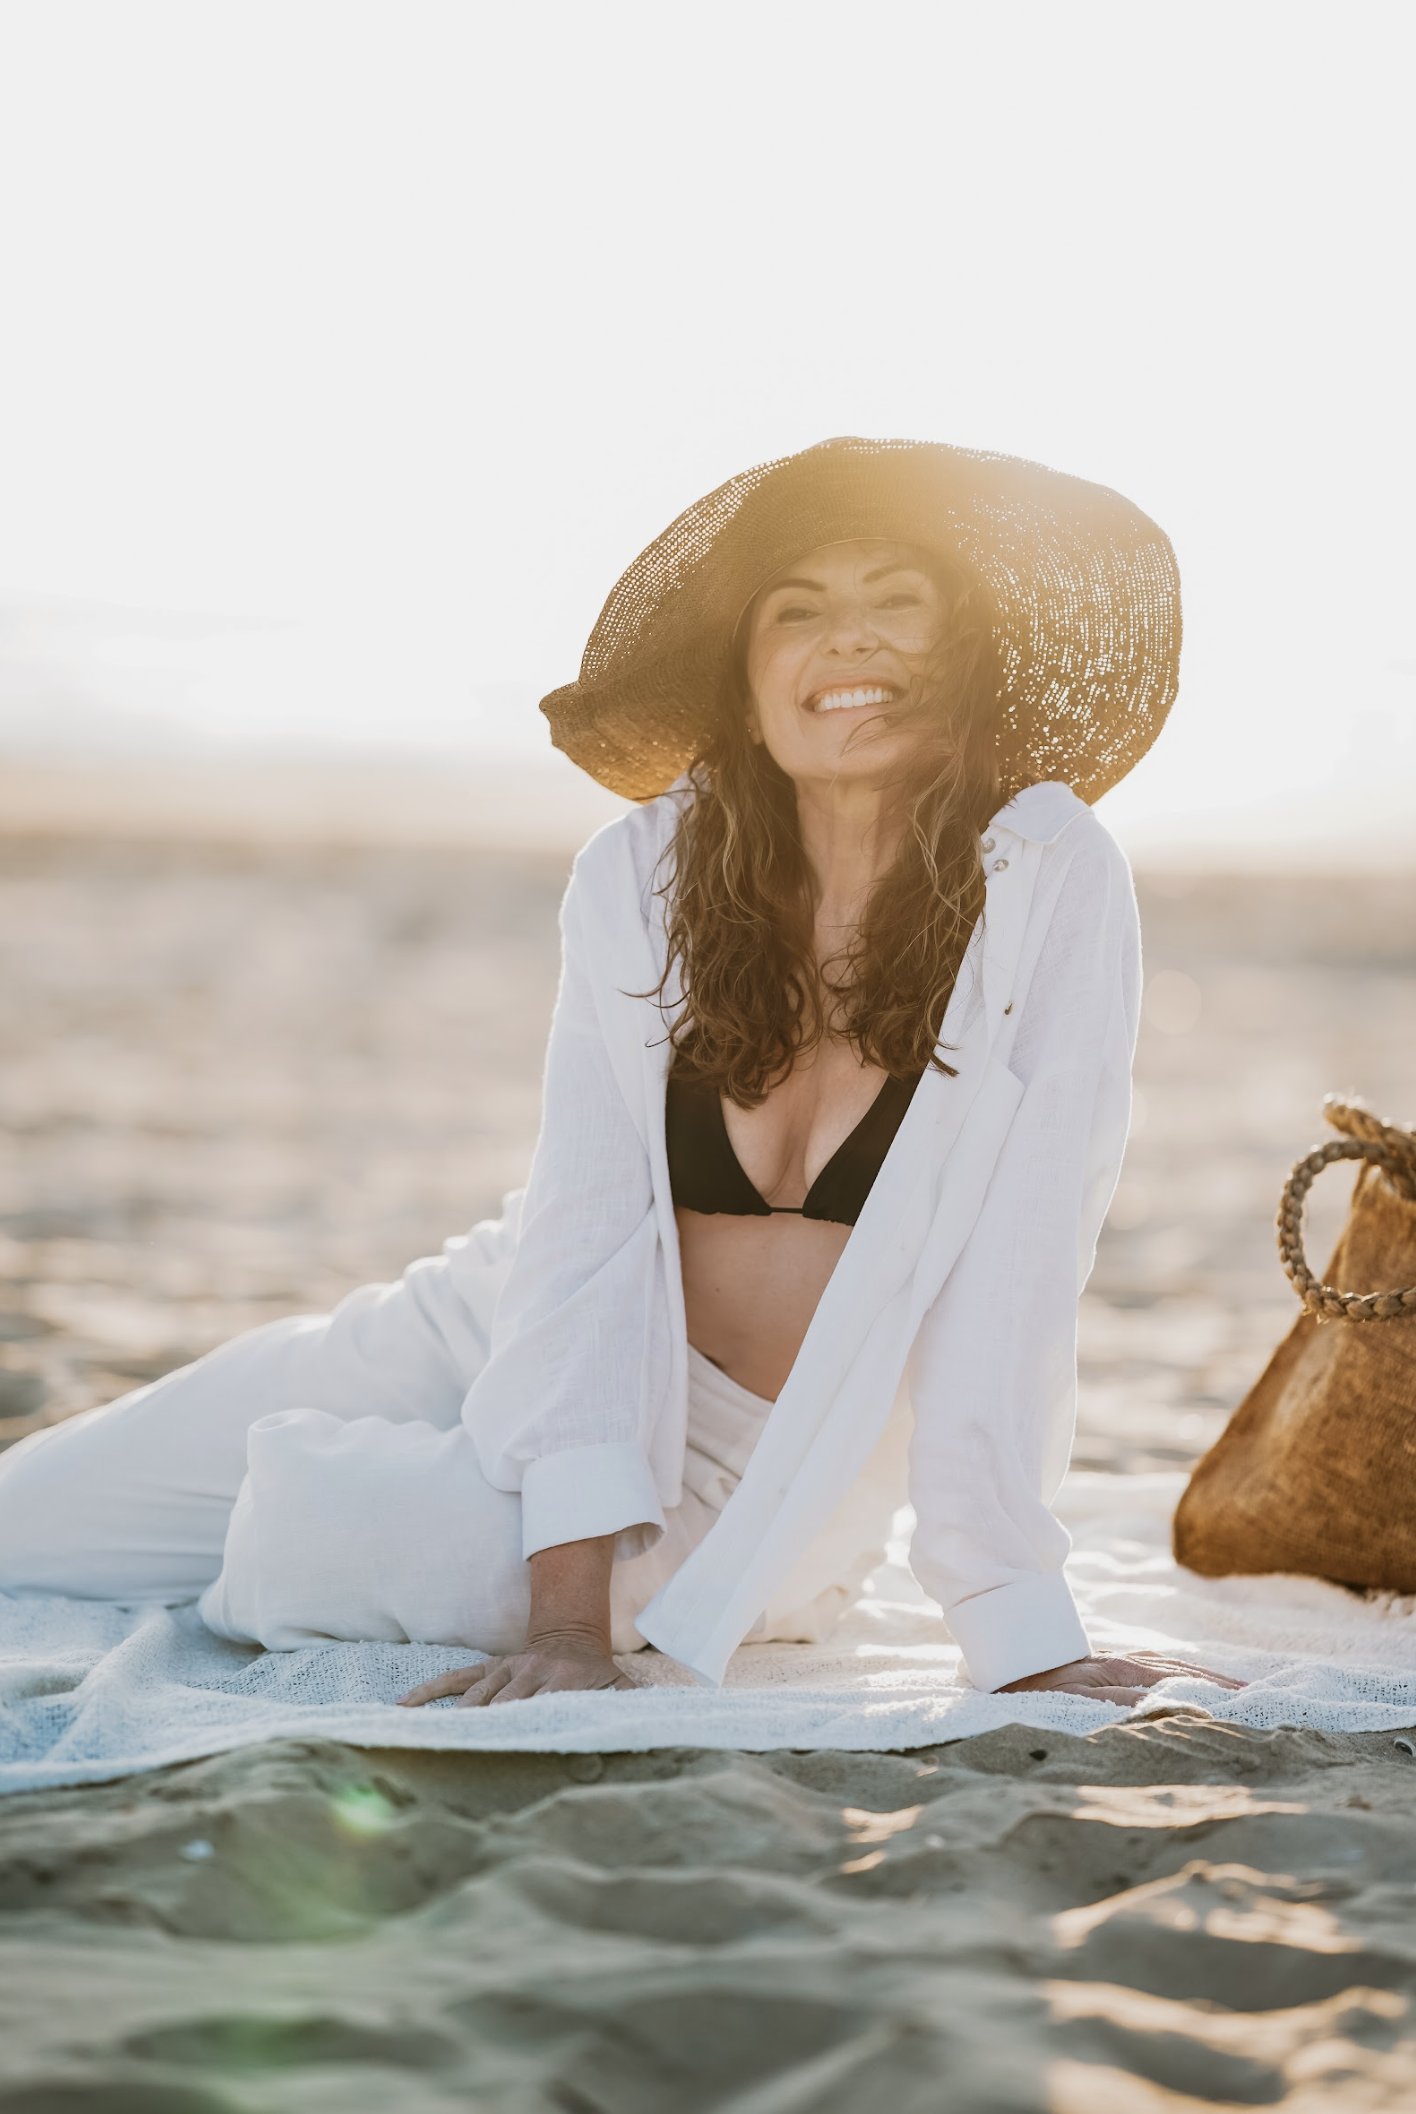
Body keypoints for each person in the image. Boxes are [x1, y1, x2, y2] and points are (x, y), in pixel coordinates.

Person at [0, 437, 1237, 1710]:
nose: (849, 638)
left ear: (966, 651)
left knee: (309, 1530)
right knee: (36, 1519)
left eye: (896, 599)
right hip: (509, 1314)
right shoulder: (642, 872)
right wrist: (565, 1621)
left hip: (743, 1469)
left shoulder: (1048, 879)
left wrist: (1016, 1624)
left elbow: (1023, 1268)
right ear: (746, 686)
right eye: (798, 609)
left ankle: (426, 1495)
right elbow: (585, 1230)